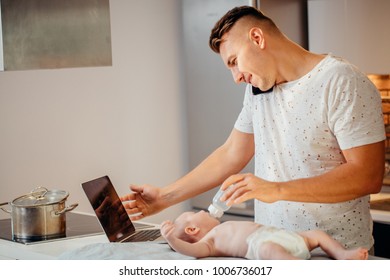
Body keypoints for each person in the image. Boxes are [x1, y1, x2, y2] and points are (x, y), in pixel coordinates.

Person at [121, 6, 385, 250]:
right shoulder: (257, 89)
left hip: (335, 256)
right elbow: (232, 153)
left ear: (257, 38)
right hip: (269, 250)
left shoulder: (341, 82)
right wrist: (164, 197)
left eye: (234, 61)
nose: (236, 77)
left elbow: (367, 175)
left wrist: (276, 189)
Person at [160, 210, 369, 260]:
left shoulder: (221, 227)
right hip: (262, 244)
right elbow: (191, 251)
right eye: (197, 213)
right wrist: (172, 239)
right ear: (192, 230)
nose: (204, 211)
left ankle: (342, 254)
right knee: (268, 249)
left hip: (280, 235)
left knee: (316, 234)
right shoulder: (209, 242)